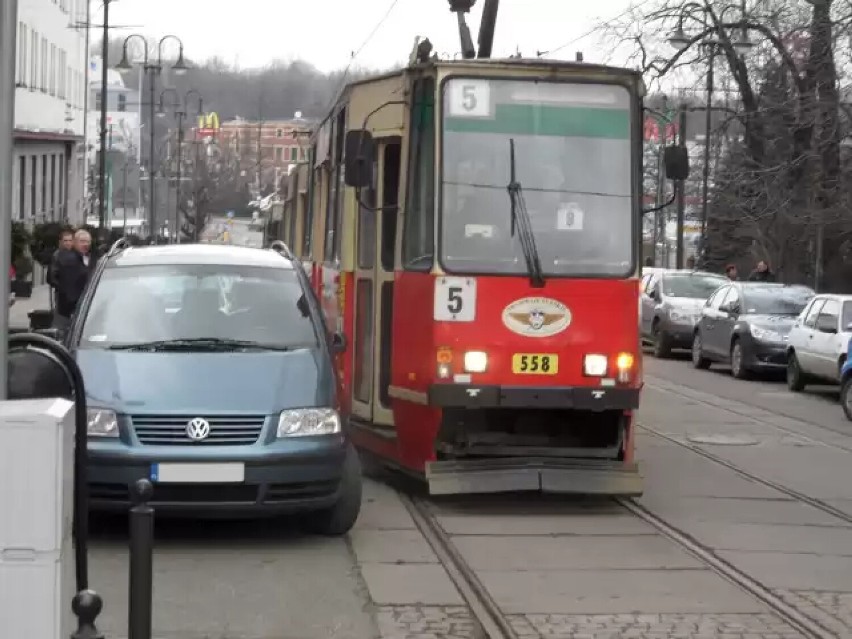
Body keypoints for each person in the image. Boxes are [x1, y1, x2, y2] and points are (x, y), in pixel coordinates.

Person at [52, 229, 94, 330]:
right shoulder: (69, 259)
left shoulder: (89, 258)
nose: (85, 244)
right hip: (70, 310)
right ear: (75, 242)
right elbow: (69, 285)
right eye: (82, 241)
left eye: (88, 241)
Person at [46, 229, 74, 308]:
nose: (68, 243)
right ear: (60, 242)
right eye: (65, 241)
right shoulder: (57, 256)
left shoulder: (76, 254)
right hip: (62, 294)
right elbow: (52, 277)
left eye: (70, 240)